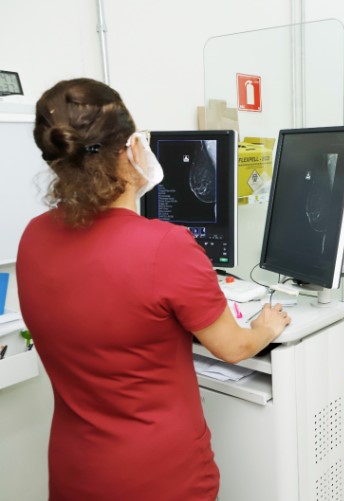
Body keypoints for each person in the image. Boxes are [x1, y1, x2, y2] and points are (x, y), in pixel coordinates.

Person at [15, 78, 291, 501]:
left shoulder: (33, 238)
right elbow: (233, 348)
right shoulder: (165, 246)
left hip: (77, 471)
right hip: (161, 477)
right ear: (130, 150)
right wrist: (265, 327)